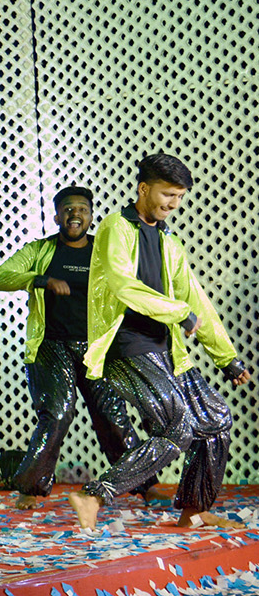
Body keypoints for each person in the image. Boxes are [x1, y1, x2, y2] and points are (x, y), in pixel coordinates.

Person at [68, 154, 249, 530]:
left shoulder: (170, 242)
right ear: (143, 189)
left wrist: (226, 357)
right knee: (176, 427)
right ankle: (93, 496)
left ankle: (194, 509)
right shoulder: (116, 227)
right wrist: (178, 313)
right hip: (127, 347)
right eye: (168, 194)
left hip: (165, 349)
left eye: (179, 197)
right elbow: (122, 284)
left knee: (215, 419)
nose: (174, 204)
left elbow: (196, 299)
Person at [0, 186, 162, 509]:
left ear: (91, 216)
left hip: (97, 348)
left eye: (82, 209)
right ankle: (30, 487)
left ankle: (145, 484)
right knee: (56, 414)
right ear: (57, 216)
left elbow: (133, 286)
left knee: (113, 417)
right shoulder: (41, 250)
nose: (75, 215)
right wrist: (40, 280)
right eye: (68, 209)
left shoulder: (104, 251)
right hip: (51, 347)